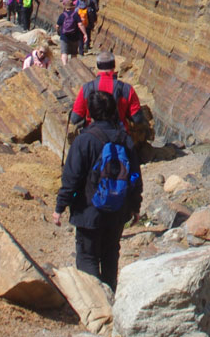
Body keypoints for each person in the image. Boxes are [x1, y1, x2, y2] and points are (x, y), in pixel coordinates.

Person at [53, 88, 142, 290]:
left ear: (90, 112)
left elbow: (71, 178)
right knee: (110, 255)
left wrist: (60, 207)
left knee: (87, 256)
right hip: (118, 209)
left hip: (89, 209)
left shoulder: (84, 140)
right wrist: (135, 206)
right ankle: (110, 299)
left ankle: (96, 304)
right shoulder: (125, 140)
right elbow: (136, 176)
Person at [70, 52, 145, 128]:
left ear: (98, 65)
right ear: (114, 65)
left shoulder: (87, 88)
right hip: (118, 135)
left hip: (93, 133)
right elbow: (137, 118)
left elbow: (75, 118)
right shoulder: (126, 89)